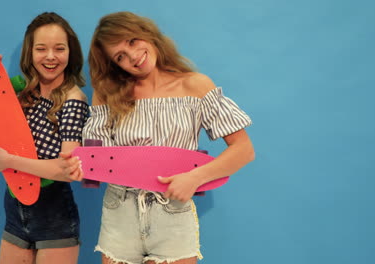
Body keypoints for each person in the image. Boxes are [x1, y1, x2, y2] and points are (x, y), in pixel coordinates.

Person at [83, 11, 255, 264]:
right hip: (119, 213)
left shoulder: (195, 86)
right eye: (120, 56)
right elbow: (93, 162)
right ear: (114, 64)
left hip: (173, 214)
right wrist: (76, 167)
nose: (133, 56)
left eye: (132, 41)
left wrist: (195, 178)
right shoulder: (108, 94)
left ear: (147, 33)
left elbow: (244, 150)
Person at [0, 12, 88, 264]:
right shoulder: (23, 93)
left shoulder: (73, 100)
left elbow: (66, 170)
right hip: (15, 209)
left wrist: (9, 161)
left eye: (59, 49)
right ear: (30, 53)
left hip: (54, 215)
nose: (50, 56)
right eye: (41, 49)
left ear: (70, 53)